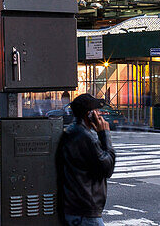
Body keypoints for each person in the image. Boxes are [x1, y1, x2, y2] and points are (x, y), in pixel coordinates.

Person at [56, 94, 117, 226]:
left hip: (75, 209)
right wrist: (104, 134)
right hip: (85, 212)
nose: (100, 114)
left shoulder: (72, 131)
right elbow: (107, 168)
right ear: (90, 115)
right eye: (97, 110)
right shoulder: (85, 137)